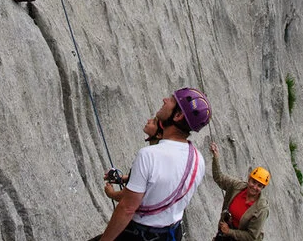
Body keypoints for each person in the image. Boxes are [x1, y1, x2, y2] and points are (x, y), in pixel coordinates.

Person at [90, 88, 212, 241]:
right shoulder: (198, 159)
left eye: (171, 100)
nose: (165, 100)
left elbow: (127, 208)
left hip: (140, 234)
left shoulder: (149, 155)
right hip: (170, 234)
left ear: (178, 115)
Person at [208, 142, 270, 241]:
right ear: (249, 179)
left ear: (263, 188)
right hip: (225, 234)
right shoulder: (237, 187)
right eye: (253, 182)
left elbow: (251, 236)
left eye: (259, 185)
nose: (255, 187)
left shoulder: (261, 209)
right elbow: (219, 178)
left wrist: (229, 232)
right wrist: (215, 157)